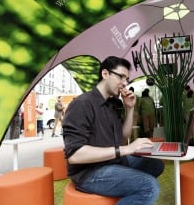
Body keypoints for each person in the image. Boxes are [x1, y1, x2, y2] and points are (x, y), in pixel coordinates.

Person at [62, 56, 164, 205]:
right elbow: (75, 156)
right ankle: (138, 190)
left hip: (113, 162)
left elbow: (123, 137)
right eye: (121, 76)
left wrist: (130, 109)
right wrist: (127, 149)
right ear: (105, 74)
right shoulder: (82, 104)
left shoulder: (113, 104)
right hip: (90, 172)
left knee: (156, 165)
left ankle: (131, 192)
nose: (125, 83)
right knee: (149, 186)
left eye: (127, 79)